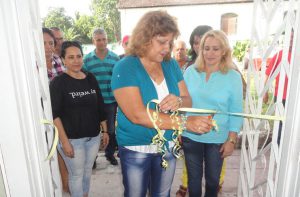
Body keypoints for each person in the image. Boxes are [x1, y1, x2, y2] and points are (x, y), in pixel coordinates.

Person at [111, 10, 213, 197]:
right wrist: (185, 123)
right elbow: (138, 115)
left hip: (168, 145)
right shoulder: (125, 67)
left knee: (163, 194)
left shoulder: (170, 65)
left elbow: (187, 99)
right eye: (162, 42)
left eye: (170, 42)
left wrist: (179, 101)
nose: (167, 48)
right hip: (136, 148)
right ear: (144, 38)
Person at [182, 30, 243, 197]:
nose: (210, 53)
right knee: (193, 180)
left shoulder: (233, 77)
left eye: (215, 49)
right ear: (200, 49)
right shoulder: (190, 72)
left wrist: (231, 139)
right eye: (206, 48)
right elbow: (182, 103)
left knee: (212, 181)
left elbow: (237, 110)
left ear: (224, 51)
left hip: (217, 138)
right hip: (190, 134)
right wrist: (178, 128)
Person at [50, 41, 109, 197]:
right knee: (76, 175)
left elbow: (100, 106)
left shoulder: (90, 78)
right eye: (71, 57)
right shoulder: (58, 83)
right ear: (63, 60)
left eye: (79, 56)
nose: (76, 61)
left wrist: (105, 131)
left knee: (87, 171)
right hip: (72, 140)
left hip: (93, 137)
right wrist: (64, 141)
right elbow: (54, 115)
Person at [175, 25, 213, 197]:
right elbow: (181, 99)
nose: (200, 47)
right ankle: (186, 187)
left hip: (215, 131)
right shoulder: (188, 69)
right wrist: (180, 126)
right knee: (193, 175)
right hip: (190, 129)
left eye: (203, 42)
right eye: (196, 43)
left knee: (213, 176)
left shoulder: (227, 69)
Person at [83, 28, 120, 165]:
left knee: (110, 129)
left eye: (104, 39)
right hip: (93, 102)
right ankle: (92, 159)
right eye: (98, 39)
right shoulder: (87, 60)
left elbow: (118, 80)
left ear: (107, 40)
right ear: (93, 41)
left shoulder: (115, 58)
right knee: (93, 130)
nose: (101, 42)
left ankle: (110, 154)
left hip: (111, 101)